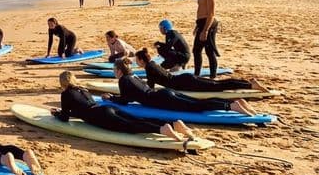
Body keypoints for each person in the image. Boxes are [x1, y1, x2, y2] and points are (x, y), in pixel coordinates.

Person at [55, 71, 194, 141]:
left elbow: (65, 118)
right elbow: (79, 110)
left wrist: (56, 113)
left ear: (63, 83)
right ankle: (174, 124)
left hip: (100, 116)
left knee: (131, 126)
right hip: (106, 108)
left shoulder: (66, 94)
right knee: (135, 119)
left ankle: (162, 129)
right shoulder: (83, 89)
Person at [105, 58, 256, 116]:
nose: (114, 73)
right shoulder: (134, 76)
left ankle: (232, 106)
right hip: (165, 93)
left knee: (196, 107)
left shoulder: (123, 80)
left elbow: (125, 101)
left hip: (162, 100)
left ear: (119, 71)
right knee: (197, 103)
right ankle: (232, 104)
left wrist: (111, 98)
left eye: (114, 70)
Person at [135, 48, 269, 93]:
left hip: (186, 83)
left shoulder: (149, 68)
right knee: (217, 84)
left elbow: (150, 88)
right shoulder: (152, 64)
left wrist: (137, 83)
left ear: (141, 60)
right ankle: (248, 83)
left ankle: (251, 85)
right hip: (185, 79)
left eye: (137, 60)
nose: (136, 62)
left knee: (218, 86)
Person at [193, 0, 220, 79]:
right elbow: (201, 11)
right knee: (196, 50)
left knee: (209, 51)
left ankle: (213, 76)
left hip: (208, 25)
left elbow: (211, 14)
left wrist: (205, 30)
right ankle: (196, 75)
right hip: (202, 24)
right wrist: (197, 27)